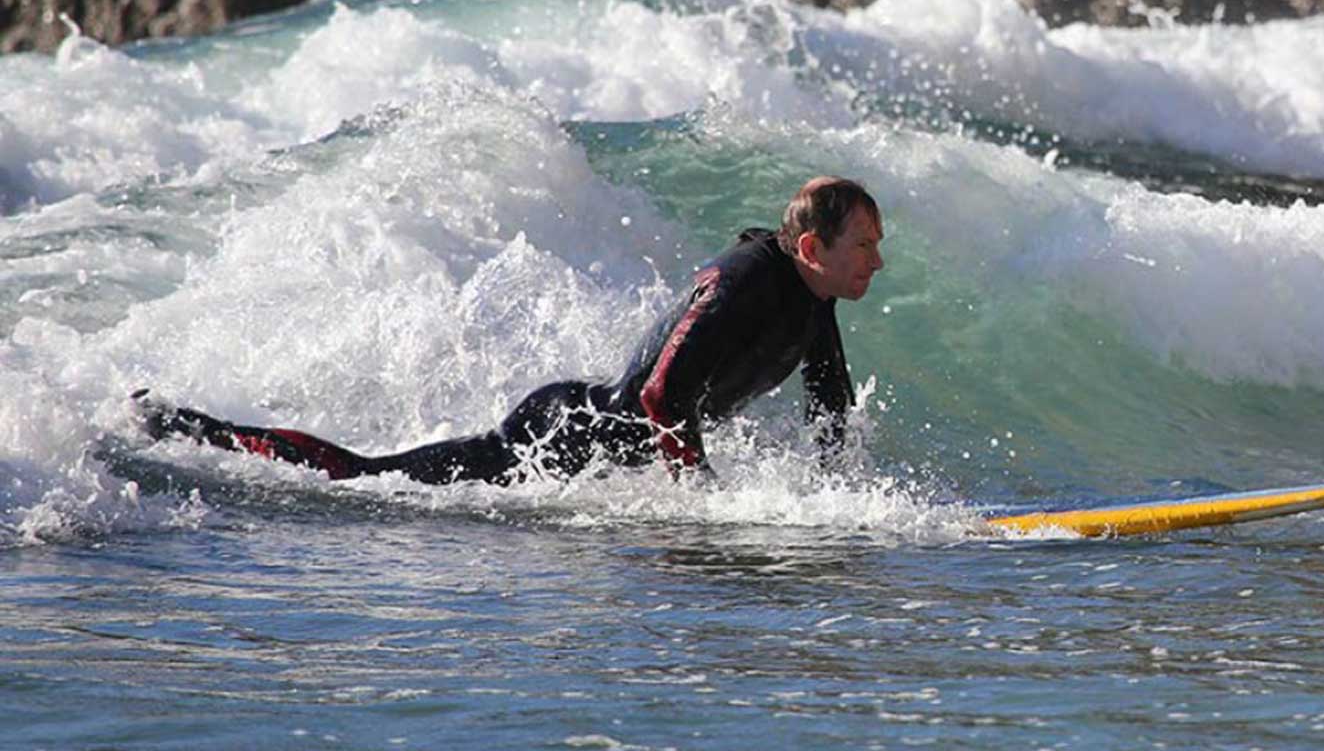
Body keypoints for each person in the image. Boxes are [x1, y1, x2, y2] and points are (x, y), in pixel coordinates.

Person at [134, 176, 885, 486]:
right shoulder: (745, 281)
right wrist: (701, 499)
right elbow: (662, 395)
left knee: (374, 476)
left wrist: (844, 505)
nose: (876, 262)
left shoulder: (813, 300)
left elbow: (831, 411)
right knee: (366, 479)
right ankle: (195, 429)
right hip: (559, 438)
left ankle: (193, 427)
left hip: (600, 460)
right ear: (812, 247)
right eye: (864, 246)